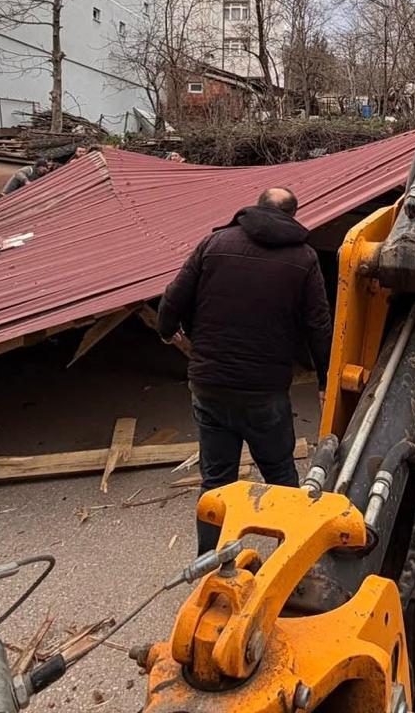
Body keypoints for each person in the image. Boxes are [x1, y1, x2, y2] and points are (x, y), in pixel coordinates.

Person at [157, 186, 332, 554]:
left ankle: (210, 566)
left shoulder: (215, 244)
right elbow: (318, 324)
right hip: (264, 390)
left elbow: (174, 297)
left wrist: (166, 328)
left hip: (209, 384)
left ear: (255, 208)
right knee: (281, 476)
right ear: (292, 215)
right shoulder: (304, 258)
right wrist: (325, 377)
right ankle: (291, 562)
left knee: (216, 482)